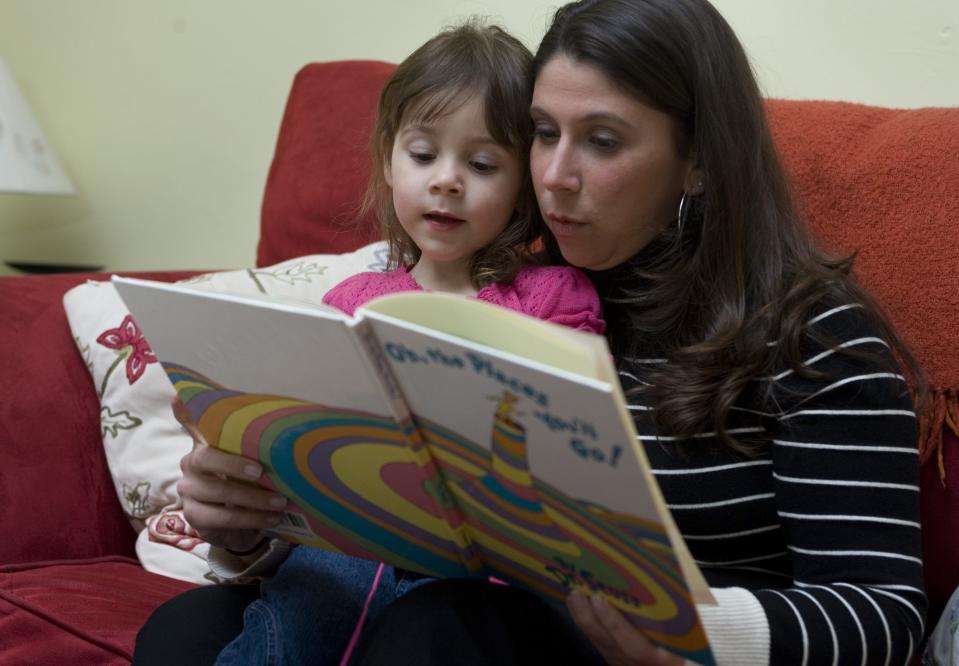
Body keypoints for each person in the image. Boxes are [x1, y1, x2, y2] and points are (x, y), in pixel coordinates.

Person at [345, 0, 928, 664]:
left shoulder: (812, 332)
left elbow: (880, 613)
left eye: (601, 141)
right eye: (541, 131)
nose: (553, 177)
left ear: (698, 162)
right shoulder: (513, 298)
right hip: (502, 621)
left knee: (437, 628)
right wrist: (259, 529)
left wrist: (687, 631)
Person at [134, 20, 603, 666]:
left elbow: (578, 444)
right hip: (348, 547)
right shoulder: (349, 300)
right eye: (422, 154)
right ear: (388, 160)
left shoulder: (551, 297)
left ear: (523, 180)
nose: (446, 180)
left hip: (481, 576)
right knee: (312, 584)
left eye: (481, 163)